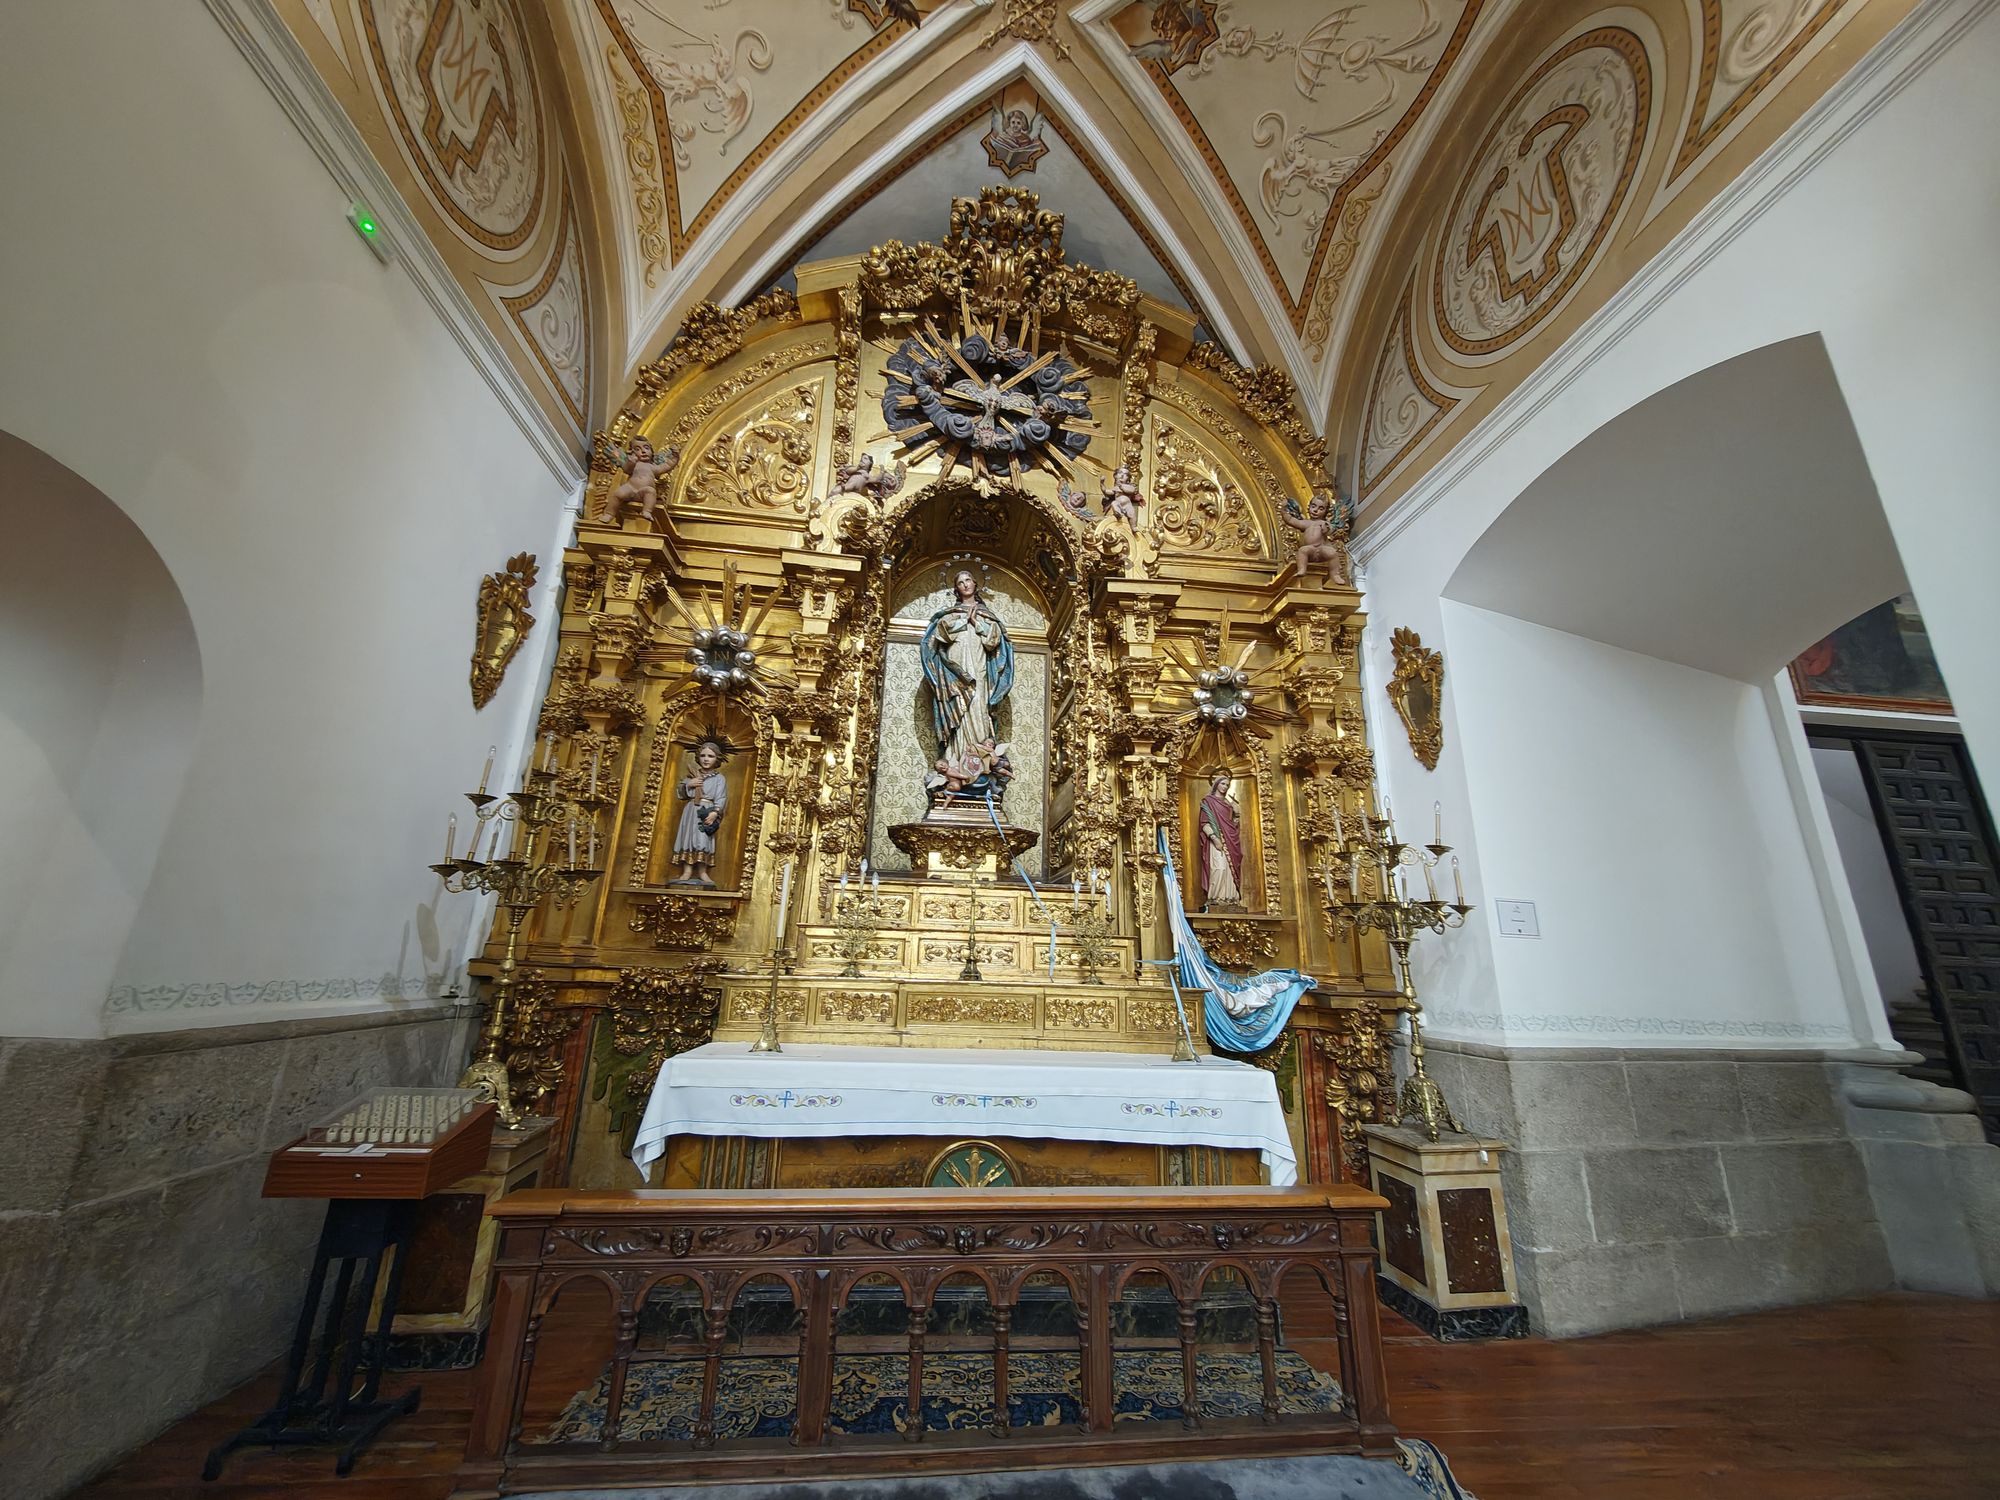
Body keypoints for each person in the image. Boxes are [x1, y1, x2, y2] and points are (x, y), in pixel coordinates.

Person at [919, 571, 1014, 778]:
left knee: (978, 704)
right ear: (957, 589)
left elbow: (994, 641)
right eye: (960, 582)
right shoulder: (950, 614)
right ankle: (956, 759)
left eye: (968, 580)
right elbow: (940, 634)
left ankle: (980, 764)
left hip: (979, 668)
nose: (965, 585)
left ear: (975, 584)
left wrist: (976, 623)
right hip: (956, 668)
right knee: (959, 711)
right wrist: (963, 622)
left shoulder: (987, 615)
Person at [670, 739, 728, 885]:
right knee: (688, 838)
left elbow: (721, 797)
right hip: (691, 811)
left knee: (703, 840)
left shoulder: (719, 778)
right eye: (703, 756)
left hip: (706, 810)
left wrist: (715, 812)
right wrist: (689, 784)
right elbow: (680, 793)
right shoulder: (692, 775)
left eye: (710, 756)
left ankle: (702, 872)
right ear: (698, 757)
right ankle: (687, 871)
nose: (706, 759)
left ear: (717, 759)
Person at [1198, 770, 1245, 911]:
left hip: (1230, 841)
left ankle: (1230, 898)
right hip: (1216, 841)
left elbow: (1233, 825)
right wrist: (1214, 838)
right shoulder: (1208, 802)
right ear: (1217, 784)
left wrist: (1237, 813)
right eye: (1223, 784)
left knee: (1229, 872)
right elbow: (1204, 823)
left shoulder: (1228, 804)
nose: (1225, 787)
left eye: (1227, 785)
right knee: (1219, 868)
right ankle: (1215, 897)